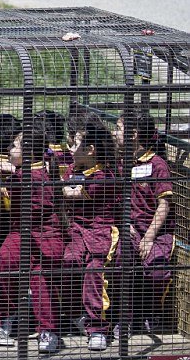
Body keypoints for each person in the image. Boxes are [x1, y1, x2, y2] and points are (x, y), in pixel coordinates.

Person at [0, 121, 63, 353]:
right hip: (21, 233)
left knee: (39, 278)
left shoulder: (25, 176)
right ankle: (5, 317)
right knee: (5, 261)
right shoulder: (43, 168)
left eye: (14, 146)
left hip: (43, 233)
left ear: (28, 152)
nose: (9, 149)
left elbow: (0, 187)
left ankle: (47, 330)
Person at [60, 112, 119, 352]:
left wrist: (51, 177)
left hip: (101, 233)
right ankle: (77, 315)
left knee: (95, 271)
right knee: (67, 262)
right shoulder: (74, 168)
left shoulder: (103, 176)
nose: (71, 147)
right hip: (76, 230)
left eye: (76, 144)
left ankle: (98, 327)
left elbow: (69, 194)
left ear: (91, 150)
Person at [113, 111, 173, 334]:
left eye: (118, 128)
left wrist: (148, 237)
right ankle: (124, 318)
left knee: (156, 269)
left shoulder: (157, 165)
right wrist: (122, 223)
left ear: (133, 134)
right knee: (121, 258)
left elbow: (164, 204)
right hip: (129, 229)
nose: (114, 133)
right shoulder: (119, 163)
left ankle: (150, 311)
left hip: (156, 232)